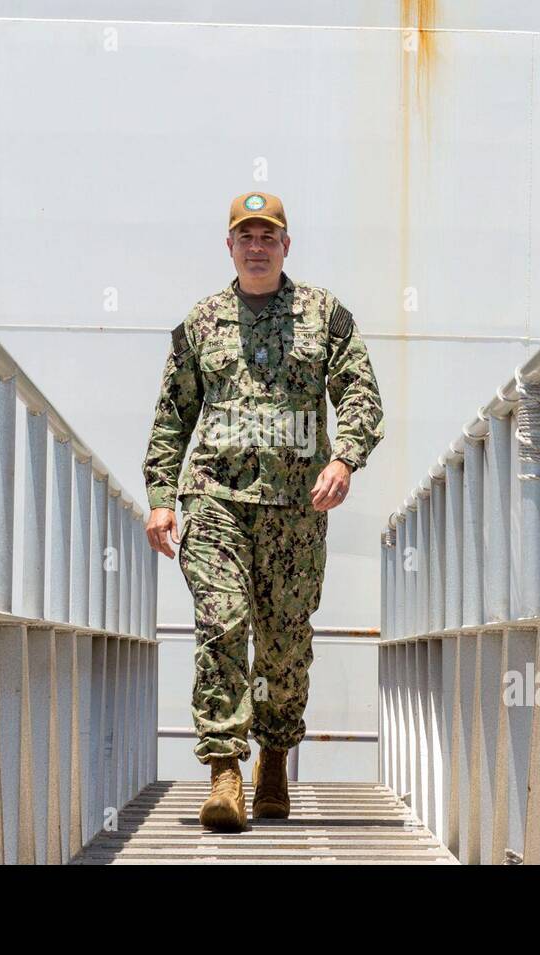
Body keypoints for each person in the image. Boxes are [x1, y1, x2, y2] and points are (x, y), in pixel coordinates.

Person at [142, 191, 385, 831]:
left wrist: (346, 459)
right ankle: (224, 769)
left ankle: (273, 756)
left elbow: (360, 391)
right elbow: (173, 414)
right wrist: (162, 498)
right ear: (229, 246)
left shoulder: (323, 315)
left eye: (267, 236)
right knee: (221, 623)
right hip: (216, 498)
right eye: (245, 236)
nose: (257, 246)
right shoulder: (201, 322)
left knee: (284, 643)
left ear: (285, 245)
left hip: (295, 510)